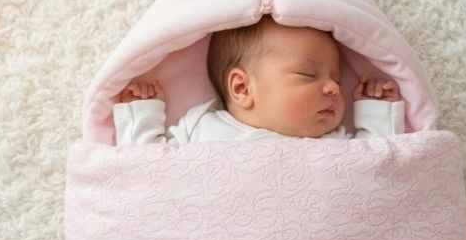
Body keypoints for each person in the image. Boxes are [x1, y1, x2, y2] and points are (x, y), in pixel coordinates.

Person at [112, 16, 404, 145]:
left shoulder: (332, 142)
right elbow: (147, 171)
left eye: (337, 79)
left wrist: (376, 111)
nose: (334, 89)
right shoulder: (201, 127)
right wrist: (142, 114)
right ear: (241, 87)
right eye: (308, 75)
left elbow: (378, 168)